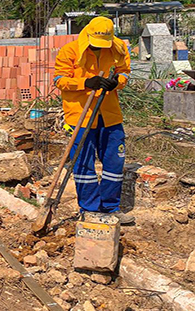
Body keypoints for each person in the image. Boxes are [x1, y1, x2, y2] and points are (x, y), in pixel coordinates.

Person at [53, 16, 134, 224]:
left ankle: (110, 207)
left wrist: (117, 82)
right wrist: (86, 82)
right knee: (83, 164)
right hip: (80, 116)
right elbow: (59, 80)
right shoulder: (69, 51)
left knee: (114, 162)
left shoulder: (117, 49)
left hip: (110, 115)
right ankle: (89, 208)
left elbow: (125, 72)